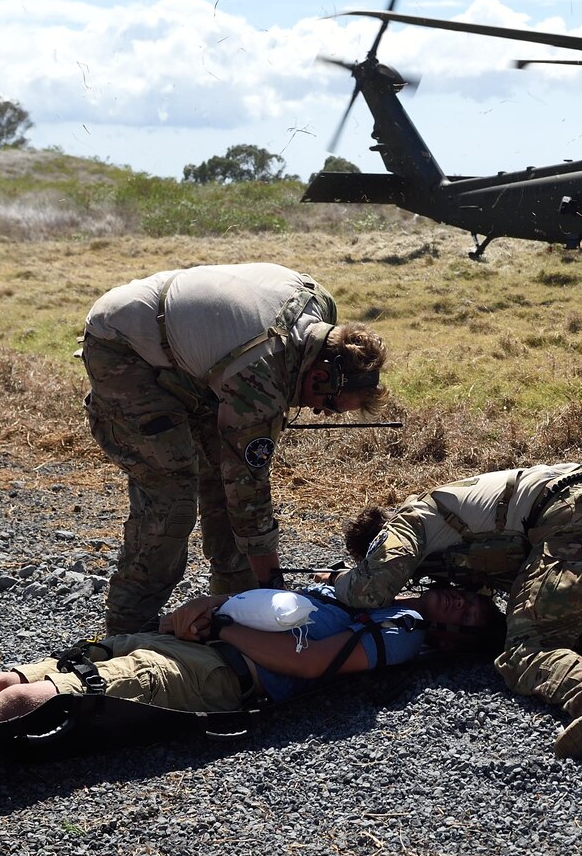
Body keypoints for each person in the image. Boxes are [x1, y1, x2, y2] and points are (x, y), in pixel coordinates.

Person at [253, 464, 582, 758]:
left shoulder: (410, 522)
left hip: (576, 522)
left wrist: (339, 581)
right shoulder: (452, 521)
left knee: (530, 646)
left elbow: (371, 587)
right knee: (570, 627)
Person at [0, 584, 502, 772]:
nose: (463, 601)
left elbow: (308, 663)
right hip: (175, 643)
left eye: (473, 613)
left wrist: (217, 630)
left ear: (454, 640)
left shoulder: (401, 636)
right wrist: (195, 615)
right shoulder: (373, 591)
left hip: (213, 673)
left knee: (28, 700)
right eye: (472, 596)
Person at [82, 264, 389, 636]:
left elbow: (231, 478)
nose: (320, 411)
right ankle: (125, 628)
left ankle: (236, 613)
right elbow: (249, 493)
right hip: (122, 346)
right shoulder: (261, 375)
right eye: (330, 404)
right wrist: (273, 588)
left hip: (182, 348)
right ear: (321, 374)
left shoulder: (321, 310)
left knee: (219, 474)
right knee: (173, 494)